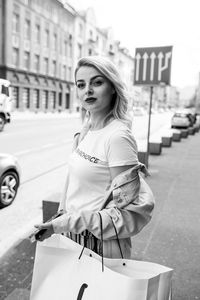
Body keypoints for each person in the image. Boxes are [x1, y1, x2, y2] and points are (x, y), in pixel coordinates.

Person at [35, 56, 154, 259]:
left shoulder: (117, 137)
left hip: (99, 249)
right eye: (81, 85)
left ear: (113, 87)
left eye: (97, 82)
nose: (87, 90)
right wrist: (61, 221)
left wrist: (63, 223)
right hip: (72, 239)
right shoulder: (86, 131)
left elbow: (126, 214)